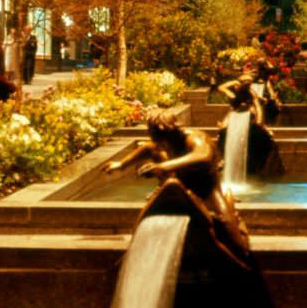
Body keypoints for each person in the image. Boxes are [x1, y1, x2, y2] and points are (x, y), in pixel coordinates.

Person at [102, 108, 252, 270]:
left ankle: (242, 257)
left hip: (207, 190)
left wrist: (163, 166)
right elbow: (145, 149)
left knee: (228, 226)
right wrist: (121, 164)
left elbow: (203, 156)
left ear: (162, 130)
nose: (150, 135)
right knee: (142, 219)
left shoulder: (195, 138)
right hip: (178, 187)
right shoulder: (164, 142)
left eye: (151, 131)